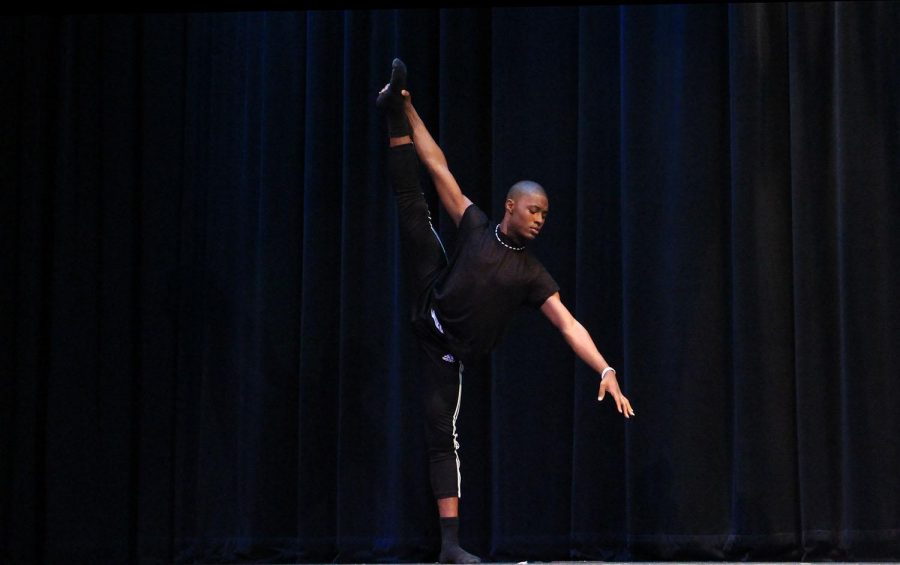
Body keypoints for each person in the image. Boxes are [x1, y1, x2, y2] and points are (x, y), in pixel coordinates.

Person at [376, 58, 634, 564]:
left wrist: (604, 367)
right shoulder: (475, 224)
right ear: (511, 206)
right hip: (432, 293)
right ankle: (389, 112)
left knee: (440, 435)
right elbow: (438, 166)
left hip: (445, 353)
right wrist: (408, 110)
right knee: (414, 206)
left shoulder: (531, 274)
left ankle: (450, 546)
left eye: (546, 215)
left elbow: (568, 323)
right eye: (533, 210)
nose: (540, 220)